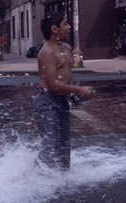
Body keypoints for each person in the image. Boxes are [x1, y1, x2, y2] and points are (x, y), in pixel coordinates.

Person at [34, 11, 94, 169]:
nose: (69, 27)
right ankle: (40, 179)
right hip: (47, 103)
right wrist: (79, 89)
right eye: (65, 24)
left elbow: (66, 76)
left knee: (64, 145)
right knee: (50, 146)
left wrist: (73, 94)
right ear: (54, 29)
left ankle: (63, 180)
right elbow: (53, 83)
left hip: (62, 101)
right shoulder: (46, 52)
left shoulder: (66, 48)